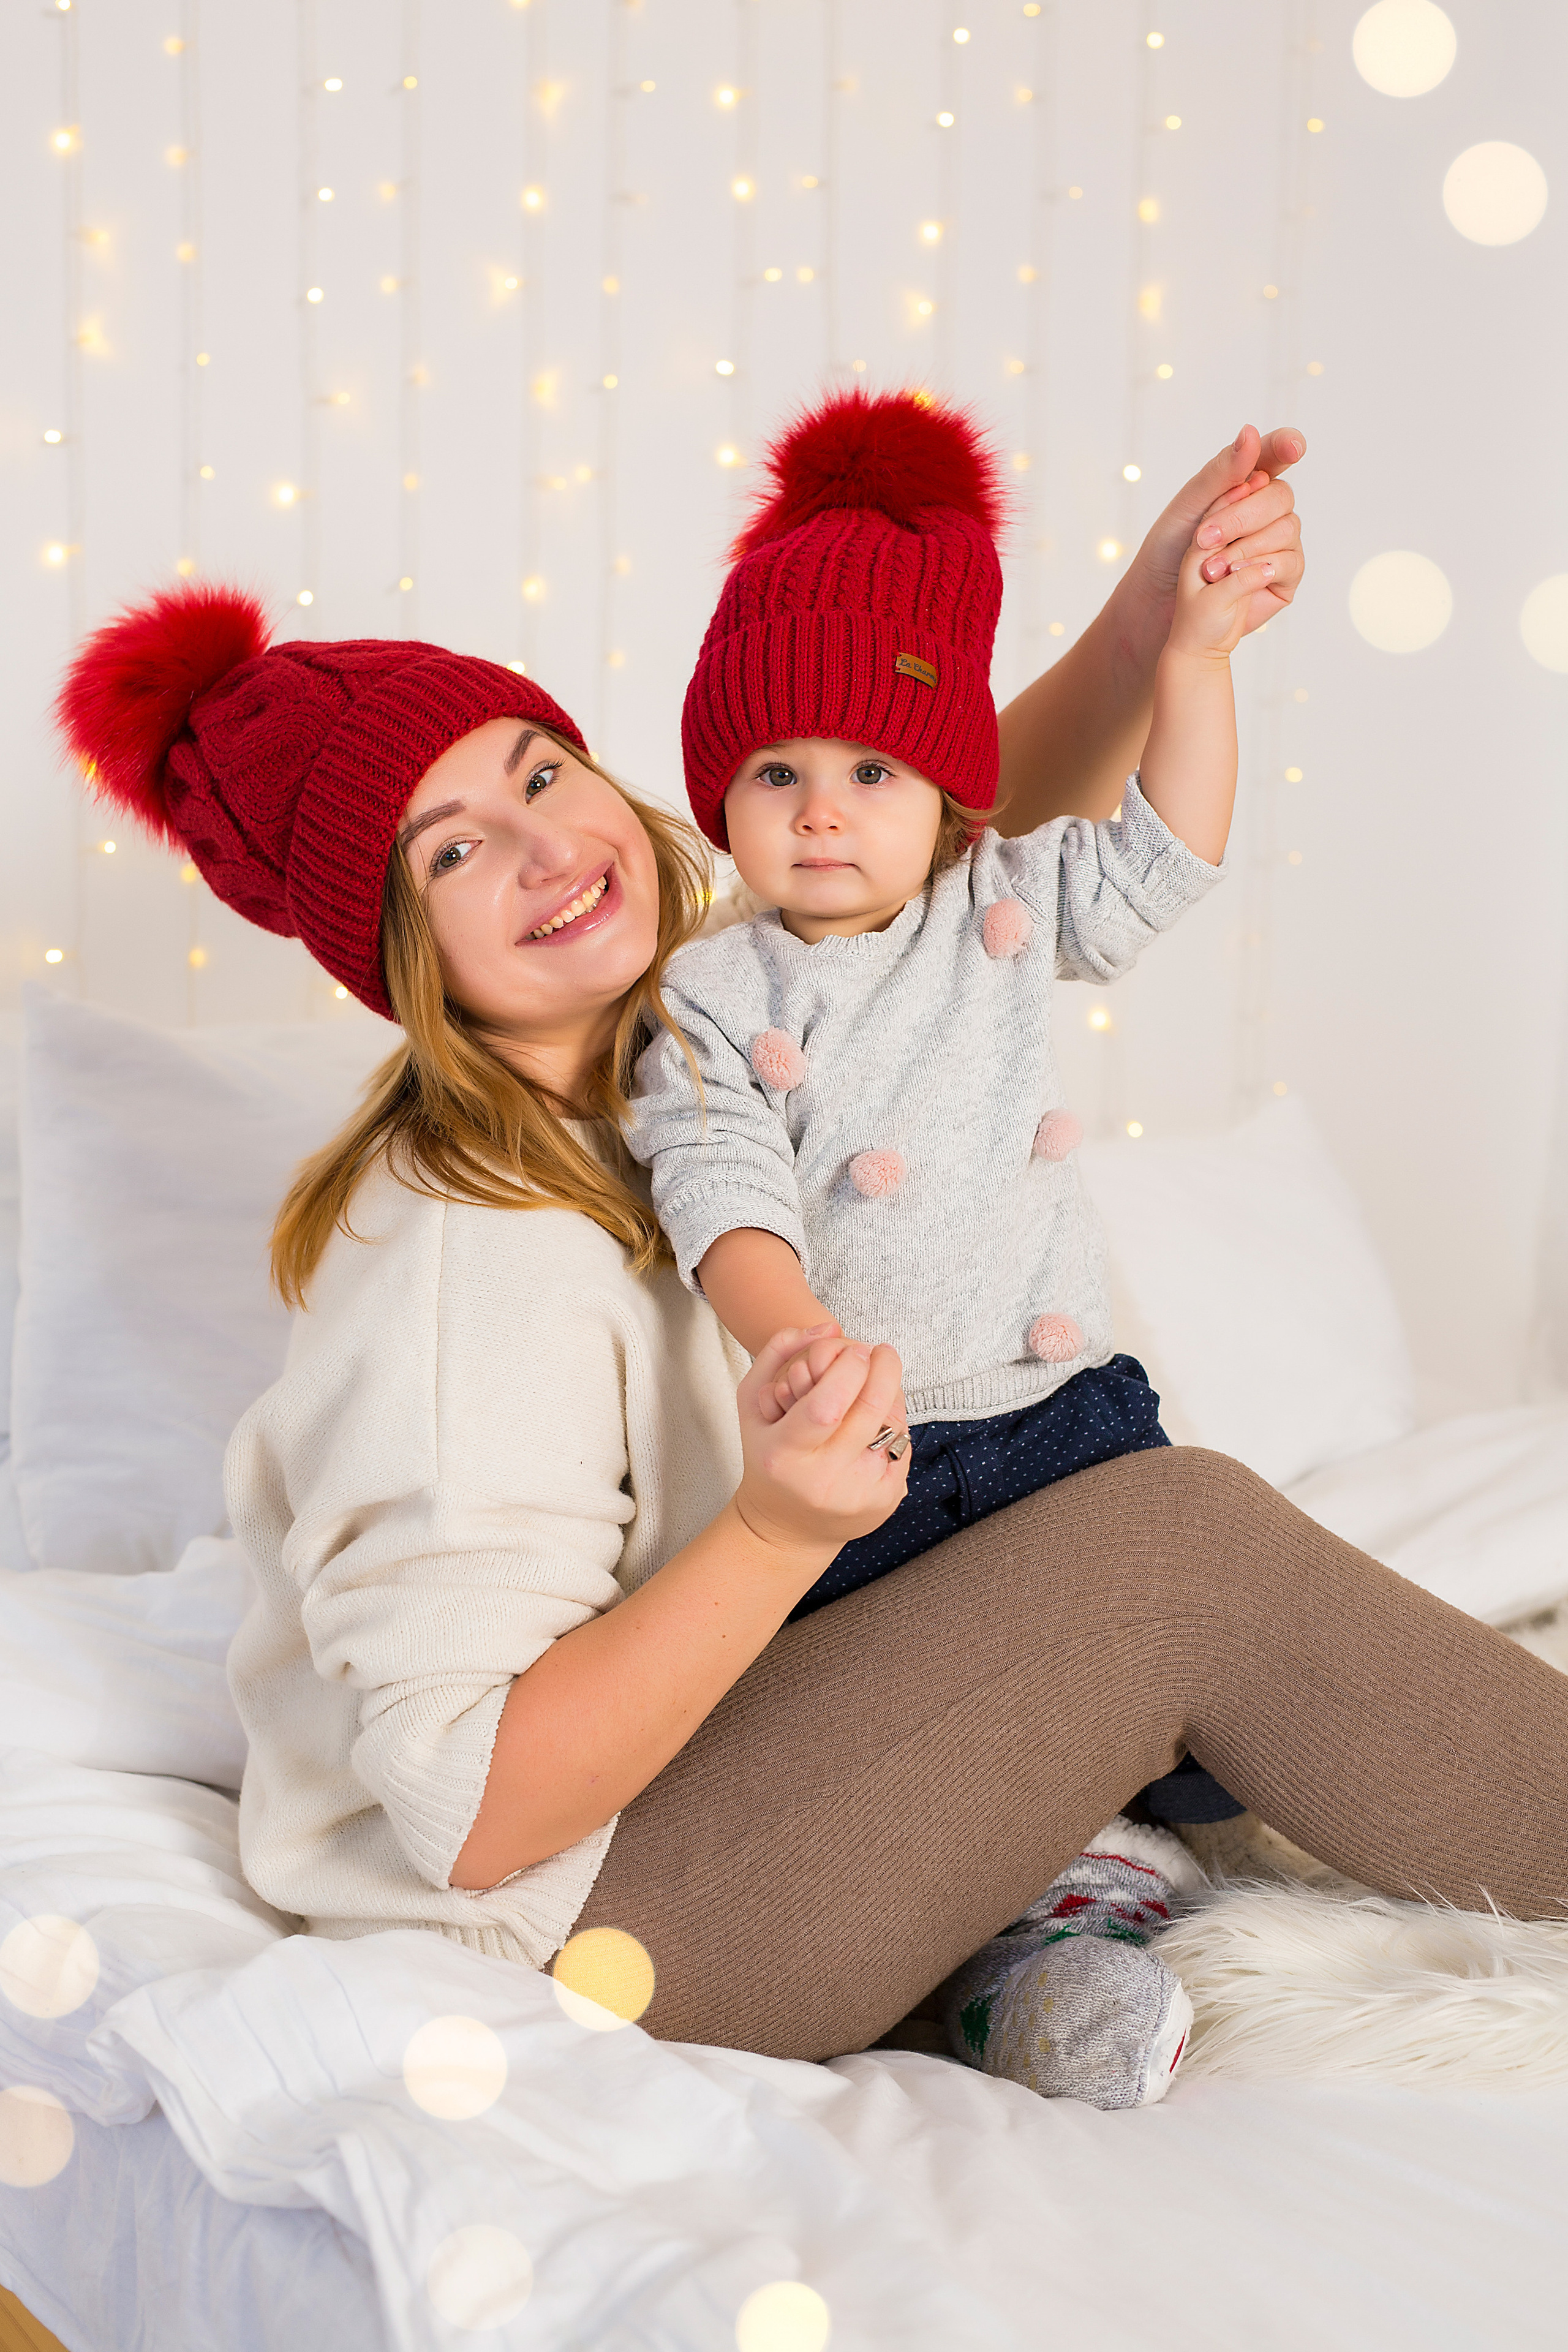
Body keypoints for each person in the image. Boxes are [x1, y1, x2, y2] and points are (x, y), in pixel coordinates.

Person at [55, 437, 1567, 2117]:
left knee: (1138, 1528)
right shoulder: (469, 1256)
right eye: (453, 853)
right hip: (596, 1926)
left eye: (541, 773)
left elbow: (944, 854)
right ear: (401, 954)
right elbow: (471, 1811)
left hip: (727, 1780)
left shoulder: (687, 1029)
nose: (545, 849)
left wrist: (1150, 630)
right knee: (1177, 1553)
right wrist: (779, 1530)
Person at [625, 385, 1270, 2103]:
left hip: (1064, 1416)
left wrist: (1196, 660)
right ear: (722, 797)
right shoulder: (709, 989)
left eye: (872, 769)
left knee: (1161, 1695)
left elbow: (1170, 855)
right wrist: (790, 1333)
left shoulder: (999, 904)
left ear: (947, 789)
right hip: (875, 1448)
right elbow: (719, 1183)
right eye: (776, 772)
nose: (823, 810)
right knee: (931, 1736)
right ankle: (1008, 1957)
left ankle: (1155, 1879)